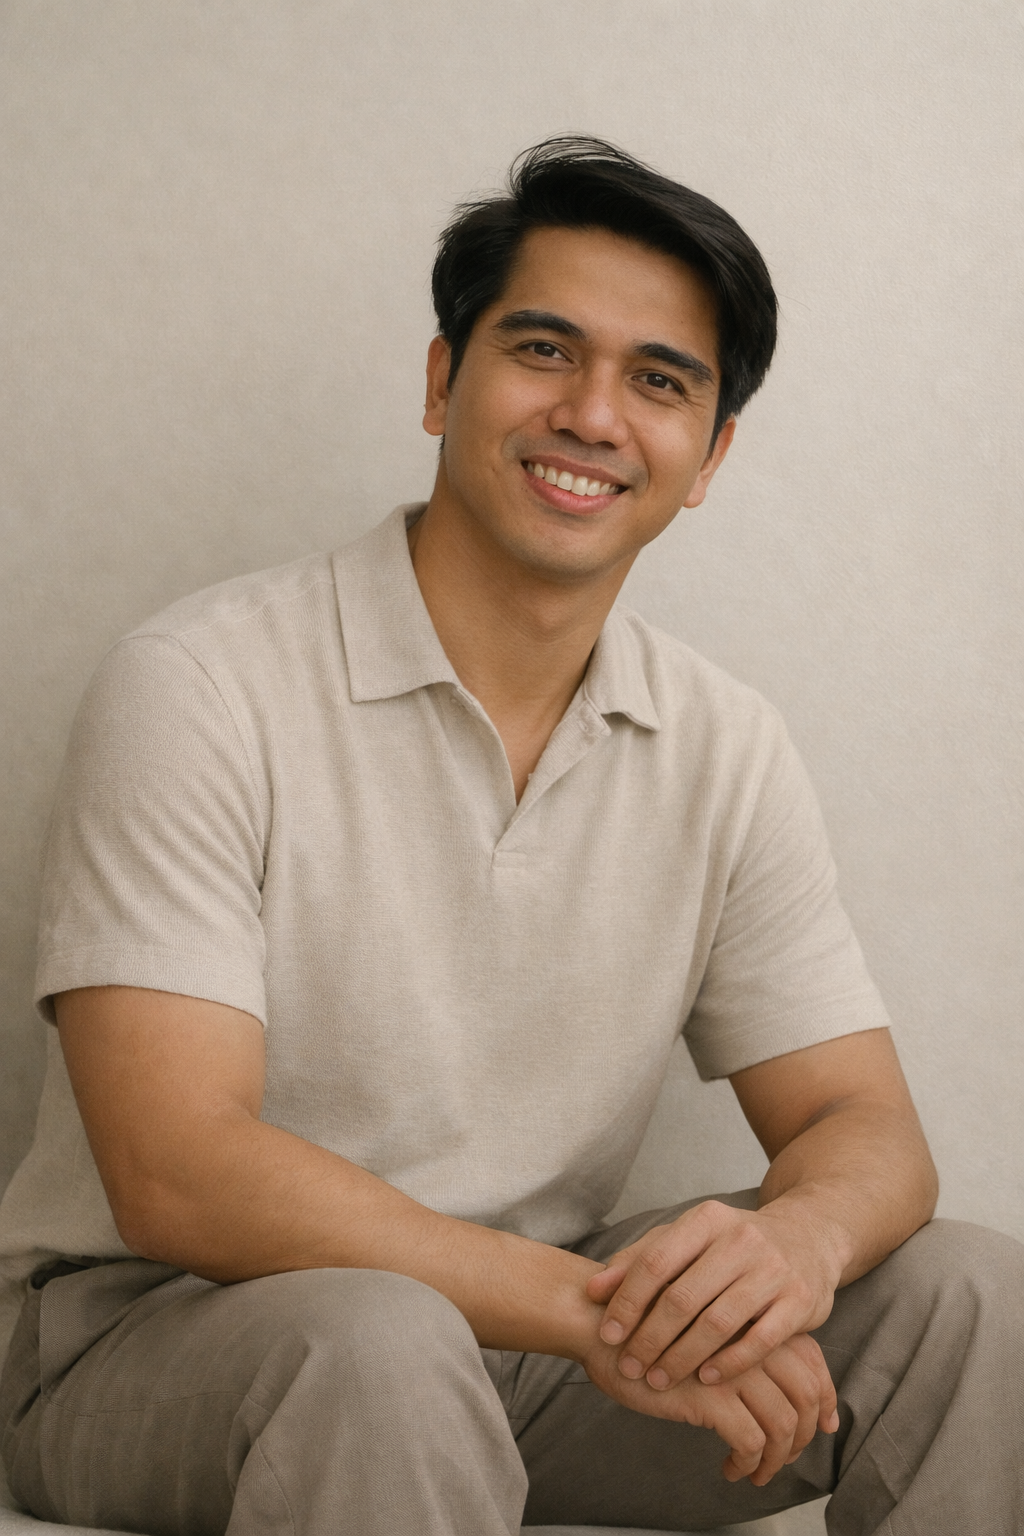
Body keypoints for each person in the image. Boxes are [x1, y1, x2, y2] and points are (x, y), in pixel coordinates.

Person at [0, 136, 1020, 1536]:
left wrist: (797, 1243)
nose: (595, 415)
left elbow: (869, 1131)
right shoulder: (200, 685)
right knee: (381, 1344)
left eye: (660, 381)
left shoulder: (725, 744)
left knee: (972, 1296)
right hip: (161, 1344)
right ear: (443, 381)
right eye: (545, 350)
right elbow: (176, 1169)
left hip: (533, 1351)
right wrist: (594, 1312)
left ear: (709, 455)